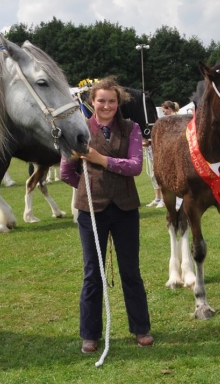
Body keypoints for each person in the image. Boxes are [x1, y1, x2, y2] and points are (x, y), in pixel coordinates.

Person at [60, 78, 153, 353]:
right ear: (92, 101)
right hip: (91, 210)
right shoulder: (79, 129)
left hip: (125, 208)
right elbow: (67, 171)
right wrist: (89, 188)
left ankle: (141, 328)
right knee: (93, 273)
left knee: (130, 271)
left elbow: (135, 166)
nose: (107, 105)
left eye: (112, 101)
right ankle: (90, 334)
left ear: (118, 102)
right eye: (101, 100)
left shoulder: (132, 128)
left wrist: (101, 161)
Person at [145, 101, 179, 208]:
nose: (163, 113)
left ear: (169, 108)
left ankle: (170, 199)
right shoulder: (165, 120)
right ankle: (160, 198)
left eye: (164, 110)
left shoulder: (176, 119)